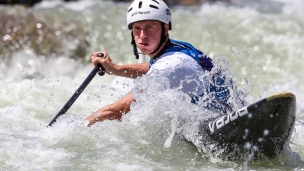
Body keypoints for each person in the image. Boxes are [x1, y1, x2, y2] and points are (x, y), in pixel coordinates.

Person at [86, 0, 233, 126]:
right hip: (224, 110)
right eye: (137, 28)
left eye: (149, 27)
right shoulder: (174, 48)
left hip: (219, 124)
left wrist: (79, 127)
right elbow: (151, 67)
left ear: (166, 28)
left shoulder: (172, 64)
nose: (142, 36)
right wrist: (115, 69)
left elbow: (118, 111)